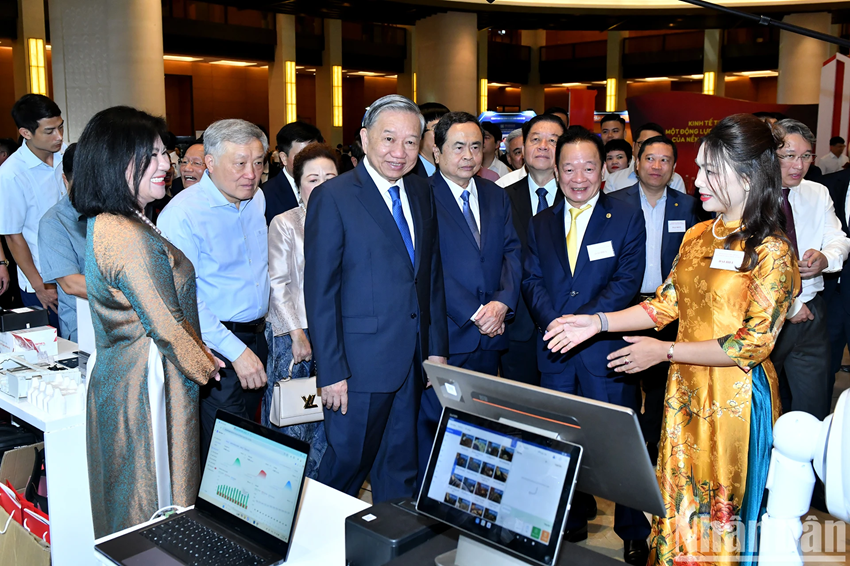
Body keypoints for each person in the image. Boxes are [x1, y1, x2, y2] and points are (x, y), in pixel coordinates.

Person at [544, 114, 800, 563]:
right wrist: (597, 323)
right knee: (680, 505)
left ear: (746, 174)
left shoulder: (770, 250)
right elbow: (664, 305)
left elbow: (751, 345)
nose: (696, 179)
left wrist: (663, 351)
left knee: (724, 516)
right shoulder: (700, 234)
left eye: (710, 170)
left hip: (735, 400)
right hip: (686, 392)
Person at [72, 106, 222, 538]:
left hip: (129, 374)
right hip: (148, 382)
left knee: (131, 495)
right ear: (116, 162)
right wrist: (206, 365)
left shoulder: (118, 221)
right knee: (154, 499)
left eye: (164, 154)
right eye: (152, 155)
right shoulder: (129, 236)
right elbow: (166, 324)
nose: (166, 165)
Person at [304, 94, 449, 503]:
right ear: (364, 139)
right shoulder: (333, 196)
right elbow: (320, 291)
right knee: (346, 468)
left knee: (400, 469)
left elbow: (431, 276)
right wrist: (331, 370)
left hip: (411, 361)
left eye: (410, 142)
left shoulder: (421, 192)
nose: (398, 152)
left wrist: (436, 349)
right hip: (357, 368)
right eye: (388, 139)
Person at [521, 126, 649, 564]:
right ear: (555, 171)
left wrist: (588, 323)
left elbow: (627, 281)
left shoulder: (627, 215)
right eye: (569, 168)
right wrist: (554, 322)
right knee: (559, 441)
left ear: (603, 173)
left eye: (588, 167)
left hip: (606, 352)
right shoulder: (539, 223)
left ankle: (634, 529)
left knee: (619, 446)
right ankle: (570, 518)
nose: (579, 177)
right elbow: (531, 279)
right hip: (556, 349)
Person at [157, 119, 271, 464]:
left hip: (256, 337)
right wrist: (237, 353)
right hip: (214, 350)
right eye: (240, 163)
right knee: (227, 450)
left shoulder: (257, 199)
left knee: (249, 438)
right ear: (210, 162)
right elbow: (185, 300)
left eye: (259, 162)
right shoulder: (182, 215)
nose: (251, 173)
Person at [418, 111, 521, 483]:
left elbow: (512, 251)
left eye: (475, 146)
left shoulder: (496, 194)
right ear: (436, 152)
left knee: (481, 424)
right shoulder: (421, 196)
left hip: (492, 332)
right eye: (458, 147)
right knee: (436, 425)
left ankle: (473, 496)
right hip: (446, 333)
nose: (468, 155)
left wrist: (502, 303)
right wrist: (475, 311)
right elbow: (427, 268)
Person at [608, 136, 702, 463]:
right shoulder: (613, 203)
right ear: (637, 163)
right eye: (650, 159)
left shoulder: (690, 207)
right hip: (627, 308)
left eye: (665, 160)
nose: (657, 166)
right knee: (625, 381)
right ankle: (626, 450)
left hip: (672, 312)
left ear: (674, 167)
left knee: (663, 385)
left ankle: (652, 449)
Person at [770, 119, 850, 421]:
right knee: (763, 406)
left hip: (813, 313)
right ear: (770, 155)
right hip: (768, 316)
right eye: (789, 155)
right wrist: (790, 304)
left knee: (813, 406)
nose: (798, 165)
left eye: (806, 156)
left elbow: (838, 238)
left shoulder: (818, 192)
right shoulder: (751, 196)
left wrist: (825, 258)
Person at [265, 143, 337, 479]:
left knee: (329, 423)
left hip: (335, 336)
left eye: (330, 177)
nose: (322, 185)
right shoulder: (286, 223)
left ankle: (319, 490)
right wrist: (296, 333)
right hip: (298, 336)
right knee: (295, 422)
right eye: (312, 179)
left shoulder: (348, 220)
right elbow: (278, 284)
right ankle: (284, 489)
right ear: (298, 184)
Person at [500, 113, 565, 385]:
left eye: (553, 140)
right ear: (523, 147)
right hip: (517, 326)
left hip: (567, 322)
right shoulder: (499, 196)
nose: (543, 146)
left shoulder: (580, 196)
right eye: (535, 139)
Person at [0, 94, 66, 328]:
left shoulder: (66, 154)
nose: (58, 136)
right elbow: (13, 235)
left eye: (60, 127)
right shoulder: (12, 174)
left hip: (76, 275)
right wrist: (40, 286)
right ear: (26, 133)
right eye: (49, 131)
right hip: (43, 282)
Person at [37, 144, 87, 341]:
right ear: (65, 180)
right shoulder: (54, 222)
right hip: (83, 327)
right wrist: (135, 291)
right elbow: (70, 284)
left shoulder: (117, 212)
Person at [262, 122, 324, 226]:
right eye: (301, 156)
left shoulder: (330, 187)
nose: (310, 162)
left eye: (315, 154)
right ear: (283, 158)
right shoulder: (266, 195)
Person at [604, 122, 687, 193]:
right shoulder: (614, 180)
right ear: (633, 146)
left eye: (655, 144)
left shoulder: (675, 180)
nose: (648, 149)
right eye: (643, 144)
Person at [412, 102, 450, 178]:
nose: (444, 133)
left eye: (448, 128)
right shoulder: (410, 172)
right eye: (437, 128)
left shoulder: (454, 169)